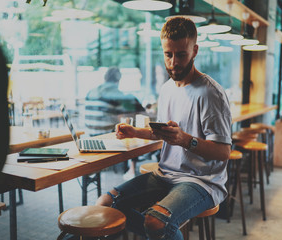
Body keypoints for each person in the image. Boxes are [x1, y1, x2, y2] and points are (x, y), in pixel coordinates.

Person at [96, 17, 232, 240]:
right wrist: (136, 133)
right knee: (106, 204)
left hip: (202, 181)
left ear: (195, 51)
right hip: (165, 174)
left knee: (155, 221)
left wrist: (185, 140)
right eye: (168, 54)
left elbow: (223, 152)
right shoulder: (167, 88)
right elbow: (164, 135)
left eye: (181, 54)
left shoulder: (210, 93)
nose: (173, 62)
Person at [85, 67, 145, 179]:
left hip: (91, 133)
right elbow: (124, 116)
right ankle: (131, 170)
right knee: (130, 127)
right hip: (104, 135)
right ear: (119, 79)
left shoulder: (92, 91)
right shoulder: (114, 93)